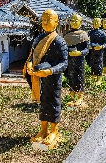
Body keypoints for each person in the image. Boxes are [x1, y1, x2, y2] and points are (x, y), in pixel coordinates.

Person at [23, 9, 68, 149]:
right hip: (39, 77)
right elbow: (32, 56)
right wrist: (30, 64)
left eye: (49, 19)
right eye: (43, 19)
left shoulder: (59, 41)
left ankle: (54, 130)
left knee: (53, 101)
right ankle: (43, 129)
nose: (45, 22)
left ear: (56, 22)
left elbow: (64, 63)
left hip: (53, 78)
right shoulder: (38, 39)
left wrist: (50, 71)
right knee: (43, 102)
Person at [64, 14, 89, 107]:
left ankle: (80, 97)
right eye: (72, 20)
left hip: (79, 61)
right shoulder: (67, 35)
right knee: (71, 77)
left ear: (80, 22)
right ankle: (72, 96)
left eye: (76, 20)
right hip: (70, 61)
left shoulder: (83, 35)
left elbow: (86, 50)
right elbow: (64, 48)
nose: (74, 22)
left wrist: (79, 53)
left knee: (79, 77)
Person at [88, 17, 106, 85]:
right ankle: (93, 77)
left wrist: (101, 47)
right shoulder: (90, 33)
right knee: (92, 64)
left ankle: (99, 78)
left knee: (99, 65)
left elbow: (105, 44)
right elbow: (88, 41)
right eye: (94, 22)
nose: (95, 23)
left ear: (100, 24)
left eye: (97, 22)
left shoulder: (102, 33)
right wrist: (89, 46)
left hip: (99, 52)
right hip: (92, 52)